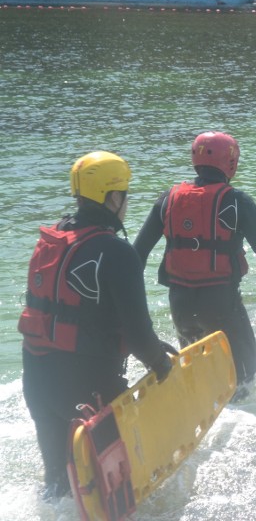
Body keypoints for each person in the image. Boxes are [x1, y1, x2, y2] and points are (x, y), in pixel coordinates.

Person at [18, 151, 175, 501]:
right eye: (125, 195)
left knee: (59, 491)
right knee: (116, 497)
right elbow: (137, 337)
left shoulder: (51, 240)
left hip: (38, 383)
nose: (127, 203)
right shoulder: (117, 252)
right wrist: (163, 366)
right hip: (86, 389)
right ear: (113, 198)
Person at [133, 131, 256, 386]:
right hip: (222, 307)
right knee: (247, 380)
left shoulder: (168, 200)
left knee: (197, 381)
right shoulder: (238, 202)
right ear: (231, 163)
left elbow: (137, 256)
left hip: (180, 306)